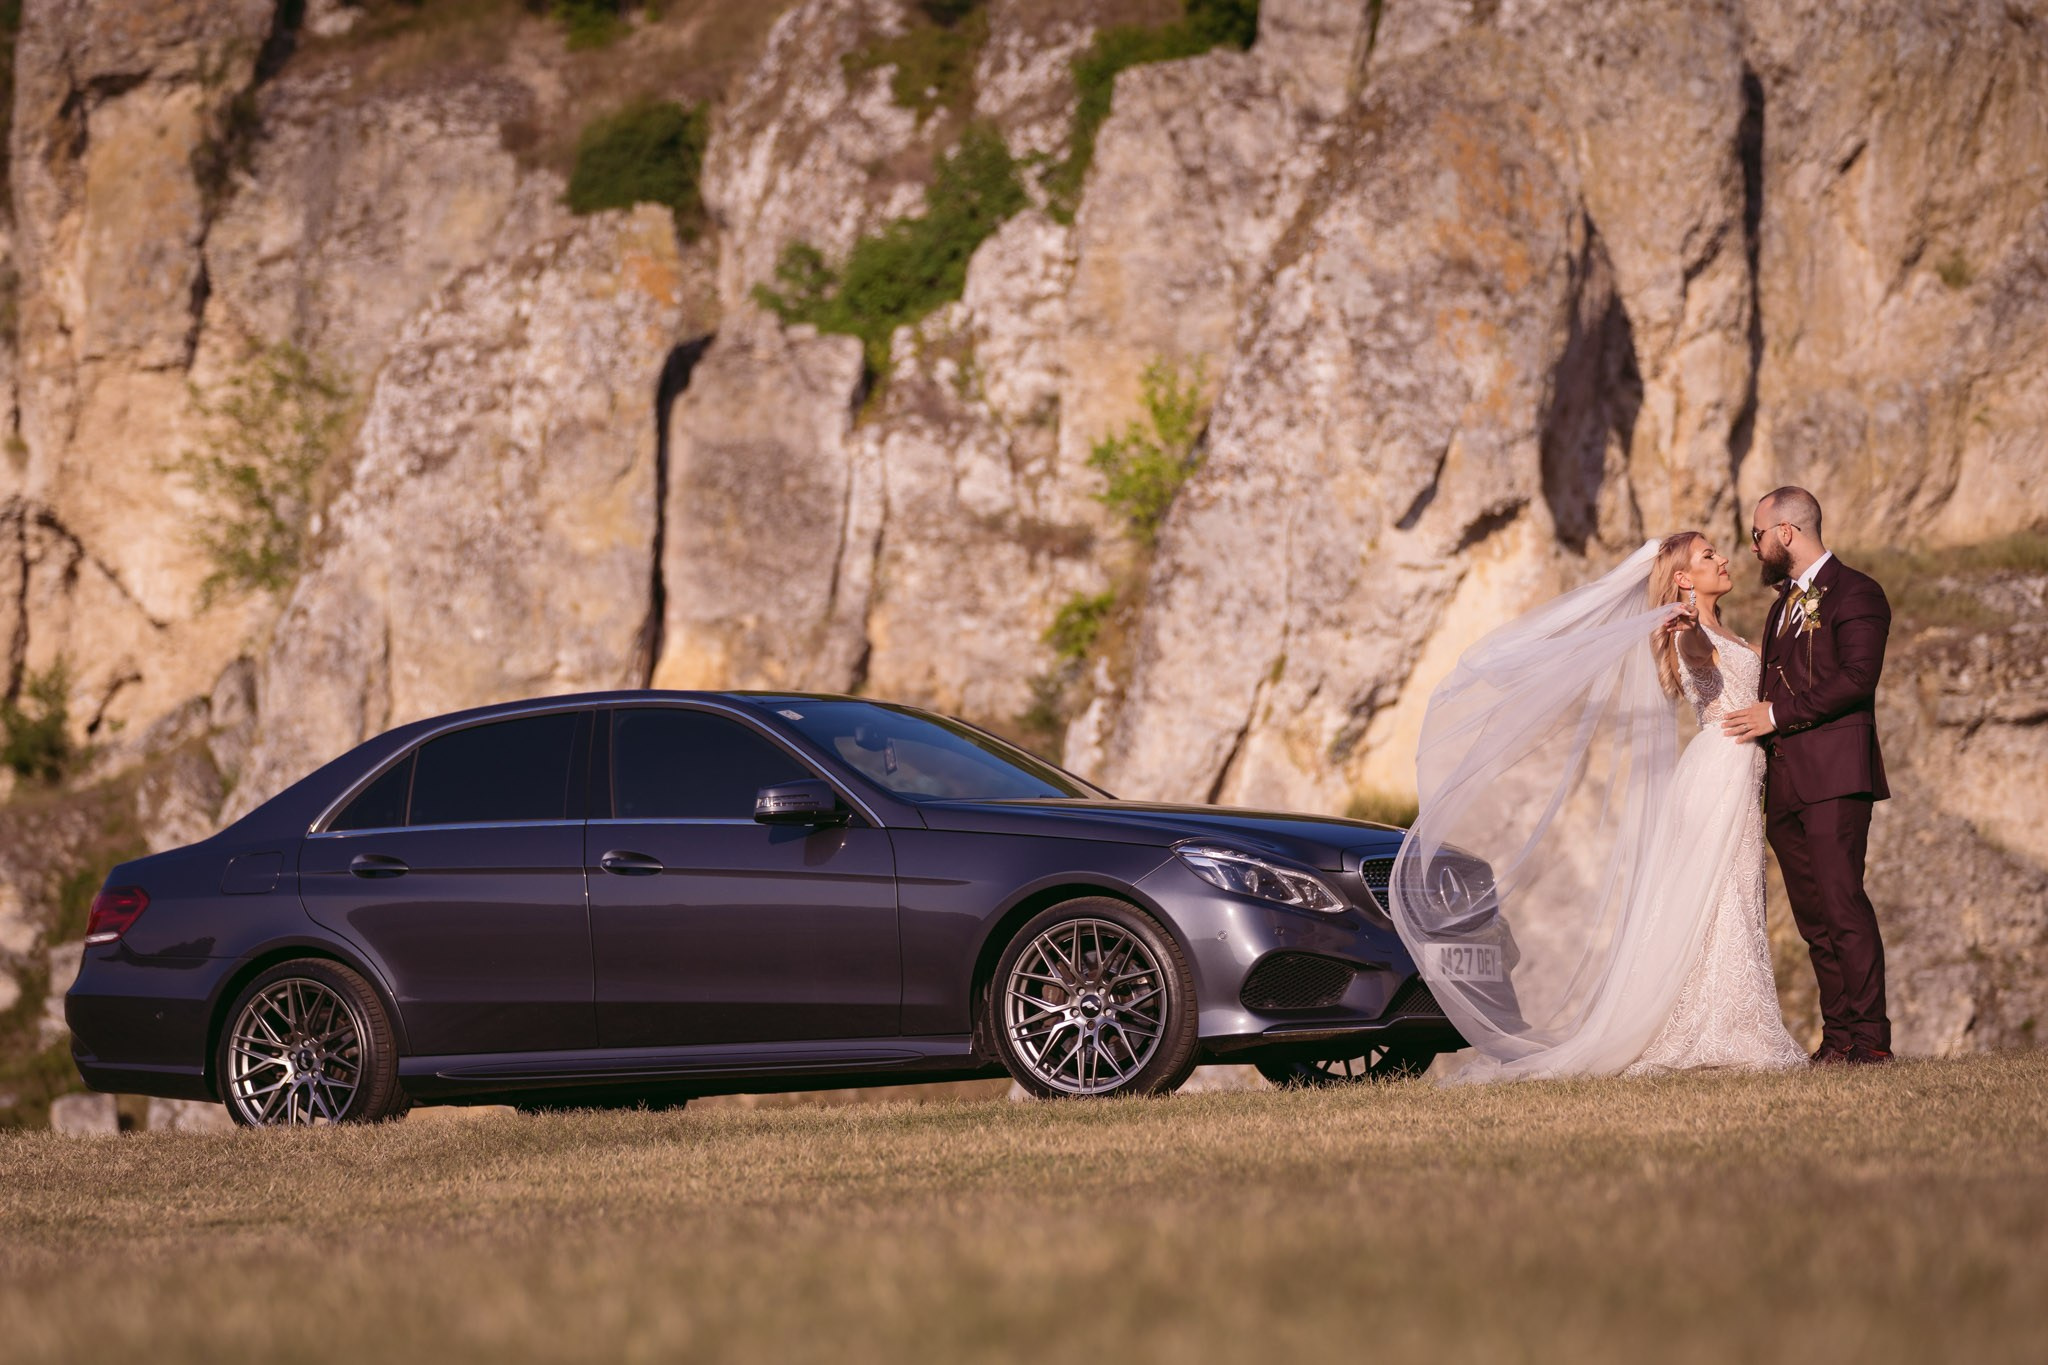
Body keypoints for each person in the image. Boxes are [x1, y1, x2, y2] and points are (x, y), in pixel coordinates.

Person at [1386, 529, 1815, 1079]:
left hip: (1735, 770)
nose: (1723, 559)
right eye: (1708, 556)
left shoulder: (1727, 631)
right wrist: (1686, 626)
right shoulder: (1689, 630)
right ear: (1683, 578)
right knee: (1724, 891)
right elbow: (1695, 650)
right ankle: (1726, 1029)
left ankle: (1729, 1020)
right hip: (1720, 772)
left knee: (1734, 892)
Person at [1718, 487, 1892, 1064]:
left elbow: (1858, 677)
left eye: (1757, 535)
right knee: (1814, 922)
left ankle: (1871, 1040)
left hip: (1836, 776)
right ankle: (1838, 1038)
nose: (1754, 547)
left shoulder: (1857, 592)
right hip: (1787, 783)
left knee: (1843, 906)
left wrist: (1775, 716)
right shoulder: (1781, 607)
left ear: (1786, 532)